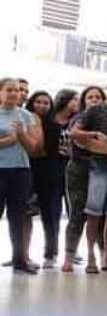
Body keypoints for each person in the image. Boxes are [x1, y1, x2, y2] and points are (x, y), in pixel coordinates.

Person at [62, 87, 107, 272]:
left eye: (98, 97)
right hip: (79, 169)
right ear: (84, 101)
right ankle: (69, 257)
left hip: (103, 169)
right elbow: (80, 139)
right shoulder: (78, 119)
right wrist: (96, 137)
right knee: (77, 213)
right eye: (90, 97)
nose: (94, 100)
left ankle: (103, 256)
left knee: (101, 215)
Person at [0, 77, 43, 274]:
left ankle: (20, 260)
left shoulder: (27, 116)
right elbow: (9, 141)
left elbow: (34, 148)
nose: (15, 94)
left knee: (18, 216)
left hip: (20, 170)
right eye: (9, 90)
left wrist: (21, 136)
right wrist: (7, 140)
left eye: (17, 90)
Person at [38, 89, 78, 268]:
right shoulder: (48, 120)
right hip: (51, 169)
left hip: (74, 170)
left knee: (74, 213)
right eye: (74, 100)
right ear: (64, 100)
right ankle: (50, 253)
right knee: (51, 212)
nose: (77, 103)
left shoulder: (78, 121)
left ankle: (71, 252)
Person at [25, 91, 54, 268]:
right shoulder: (25, 119)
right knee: (25, 213)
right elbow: (34, 149)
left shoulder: (54, 124)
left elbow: (45, 149)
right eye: (38, 102)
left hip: (48, 172)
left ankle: (50, 254)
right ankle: (22, 254)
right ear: (31, 103)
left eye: (46, 102)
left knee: (49, 214)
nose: (42, 105)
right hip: (28, 169)